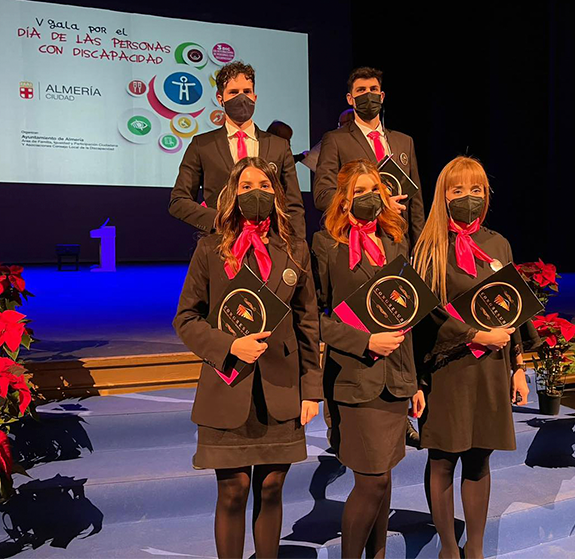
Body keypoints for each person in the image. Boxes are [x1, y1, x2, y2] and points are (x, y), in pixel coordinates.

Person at [173, 156, 322, 559]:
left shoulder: (296, 250)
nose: (256, 193)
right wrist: (229, 346)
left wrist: (312, 389)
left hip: (281, 388)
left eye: (264, 186)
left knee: (272, 489)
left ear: (277, 195)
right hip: (228, 384)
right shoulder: (210, 249)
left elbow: (308, 323)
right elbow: (185, 318)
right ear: (232, 196)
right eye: (246, 186)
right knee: (233, 490)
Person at [412, 156, 530, 559]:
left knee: (480, 458)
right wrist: (475, 335)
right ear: (443, 196)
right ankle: (448, 549)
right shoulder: (428, 247)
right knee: (443, 460)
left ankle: (474, 549)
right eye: (458, 190)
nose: (468, 197)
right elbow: (427, 317)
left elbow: (512, 309)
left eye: (476, 189)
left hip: (491, 368)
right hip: (446, 368)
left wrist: (519, 367)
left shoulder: (498, 244)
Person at [311, 159, 425, 559]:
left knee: (385, 477)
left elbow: (408, 314)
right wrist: (366, 341)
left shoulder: (396, 242)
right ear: (343, 200)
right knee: (372, 481)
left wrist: (415, 381)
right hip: (354, 378)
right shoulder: (326, 244)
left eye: (374, 190)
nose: (369, 197)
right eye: (359, 191)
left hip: (396, 380)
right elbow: (312, 318)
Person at [169, 61, 306, 238]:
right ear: (220, 98)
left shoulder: (278, 146)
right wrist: (219, 221)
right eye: (234, 92)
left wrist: (298, 245)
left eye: (247, 92)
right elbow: (179, 201)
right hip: (220, 242)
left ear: (255, 97)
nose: (242, 98)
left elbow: (293, 204)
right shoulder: (202, 145)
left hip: (269, 242)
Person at [313, 67, 425, 248]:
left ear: (381, 96)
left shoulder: (404, 142)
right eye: (361, 90)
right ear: (350, 99)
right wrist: (377, 204)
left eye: (373, 89)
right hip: (356, 241)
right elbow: (323, 194)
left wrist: (419, 248)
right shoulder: (336, 140)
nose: (368, 95)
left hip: (398, 241)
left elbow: (416, 203)